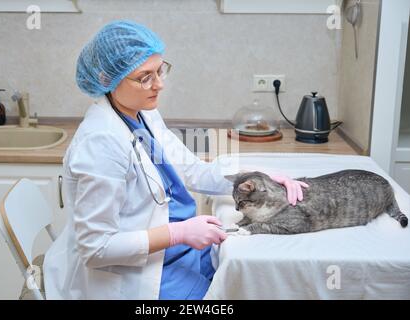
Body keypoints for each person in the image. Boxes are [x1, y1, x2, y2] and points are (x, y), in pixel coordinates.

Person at [43, 20, 308, 300]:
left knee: (249, 278)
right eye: (144, 77)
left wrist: (257, 180)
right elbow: (96, 249)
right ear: (108, 80)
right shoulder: (100, 144)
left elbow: (194, 171)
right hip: (134, 275)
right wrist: (177, 233)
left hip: (173, 252)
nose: (158, 84)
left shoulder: (142, 113)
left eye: (160, 71)